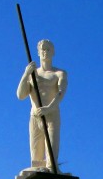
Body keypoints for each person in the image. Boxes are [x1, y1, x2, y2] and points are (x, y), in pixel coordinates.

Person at [16, 38, 67, 171]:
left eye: (48, 49)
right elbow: (20, 95)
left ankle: (53, 172)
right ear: (38, 53)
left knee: (51, 158)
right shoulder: (32, 74)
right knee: (36, 160)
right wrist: (26, 73)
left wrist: (48, 108)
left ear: (53, 52)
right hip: (35, 116)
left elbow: (61, 93)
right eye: (43, 49)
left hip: (51, 115)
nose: (45, 52)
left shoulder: (59, 74)